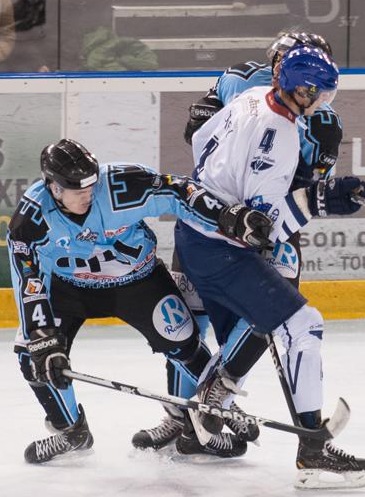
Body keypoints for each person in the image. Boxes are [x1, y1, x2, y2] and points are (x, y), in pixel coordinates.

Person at [132, 31, 343, 457]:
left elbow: (295, 190)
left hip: (264, 224)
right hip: (229, 222)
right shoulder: (241, 84)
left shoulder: (314, 119)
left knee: (257, 326)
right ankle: (184, 413)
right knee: (191, 320)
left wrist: (305, 196)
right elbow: (198, 136)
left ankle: (212, 409)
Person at [178, 46, 365, 489]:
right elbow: (261, 230)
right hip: (221, 250)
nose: (324, 102)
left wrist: (225, 188)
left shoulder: (250, 97)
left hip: (193, 233)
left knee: (251, 328)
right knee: (304, 325)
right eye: (321, 95)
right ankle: (313, 451)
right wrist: (320, 201)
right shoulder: (281, 136)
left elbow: (201, 141)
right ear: (302, 92)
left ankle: (213, 396)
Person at [9, 139, 272, 463]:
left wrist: (228, 217)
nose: (87, 195)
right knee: (33, 354)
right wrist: (41, 335)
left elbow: (177, 191)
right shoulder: (31, 218)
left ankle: (212, 407)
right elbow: (28, 277)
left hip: (137, 280)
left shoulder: (120, 185)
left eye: (90, 186)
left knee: (183, 342)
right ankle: (71, 431)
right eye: (77, 190)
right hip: (68, 288)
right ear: (53, 187)